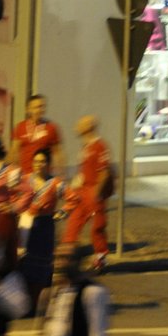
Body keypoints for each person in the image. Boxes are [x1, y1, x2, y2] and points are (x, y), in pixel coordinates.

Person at [61, 115, 113, 271]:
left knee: (97, 227)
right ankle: (66, 257)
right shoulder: (85, 146)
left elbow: (104, 172)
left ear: (89, 126)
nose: (76, 127)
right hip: (82, 191)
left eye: (80, 124)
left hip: (93, 191)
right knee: (73, 223)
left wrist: (96, 194)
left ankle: (101, 258)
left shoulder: (99, 146)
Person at [14, 148, 64, 304]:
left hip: (45, 225)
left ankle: (43, 298)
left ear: (48, 164)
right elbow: (14, 196)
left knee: (44, 260)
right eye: (36, 161)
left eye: (42, 161)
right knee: (24, 258)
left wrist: (61, 212)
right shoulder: (25, 180)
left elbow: (73, 199)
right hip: (26, 223)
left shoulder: (56, 183)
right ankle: (26, 297)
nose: (38, 165)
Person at [11, 94, 61, 174]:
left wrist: (60, 174)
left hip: (44, 176)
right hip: (25, 175)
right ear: (28, 110)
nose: (39, 110)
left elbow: (58, 153)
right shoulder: (20, 127)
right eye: (36, 107)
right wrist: (13, 171)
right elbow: (14, 152)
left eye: (42, 106)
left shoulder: (51, 127)